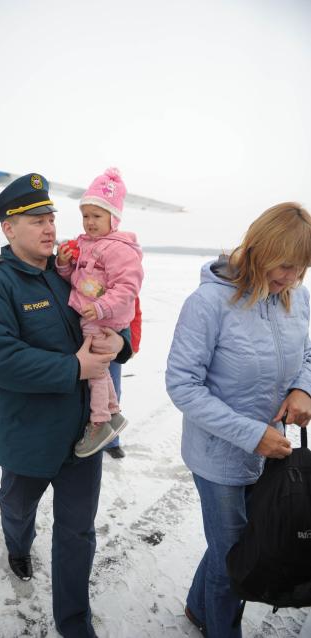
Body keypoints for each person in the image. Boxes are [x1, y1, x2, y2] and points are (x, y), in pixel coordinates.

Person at [0, 173, 132, 638]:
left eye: (52, 218)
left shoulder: (70, 275)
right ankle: (18, 543)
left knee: (78, 532)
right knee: (18, 509)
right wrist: (74, 369)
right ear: (8, 229)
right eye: (37, 220)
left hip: (83, 435)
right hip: (28, 437)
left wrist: (122, 339)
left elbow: (108, 314)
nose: (50, 228)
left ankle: (74, 623)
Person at [165, 202, 311, 638]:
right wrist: (251, 435)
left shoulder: (296, 298)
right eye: (285, 266)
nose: (291, 279)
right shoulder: (208, 302)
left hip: (272, 451)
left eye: (301, 269)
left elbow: (307, 353)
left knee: (237, 544)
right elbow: (182, 385)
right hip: (219, 460)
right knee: (235, 558)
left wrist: (303, 387)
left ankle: (197, 608)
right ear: (259, 248)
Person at [56, 168, 143, 458]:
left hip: (103, 319)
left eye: (97, 216)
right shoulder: (87, 246)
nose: (90, 222)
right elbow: (80, 283)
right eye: (86, 216)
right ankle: (113, 413)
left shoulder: (118, 249)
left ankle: (99, 423)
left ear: (113, 218)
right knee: (103, 371)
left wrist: (102, 306)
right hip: (92, 314)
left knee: (94, 372)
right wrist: (65, 266)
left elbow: (128, 286)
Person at [105, 296, 143, 459]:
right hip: (84, 340)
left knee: (112, 393)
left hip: (113, 344)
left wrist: (132, 343)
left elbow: (133, 310)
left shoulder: (120, 276)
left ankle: (111, 440)